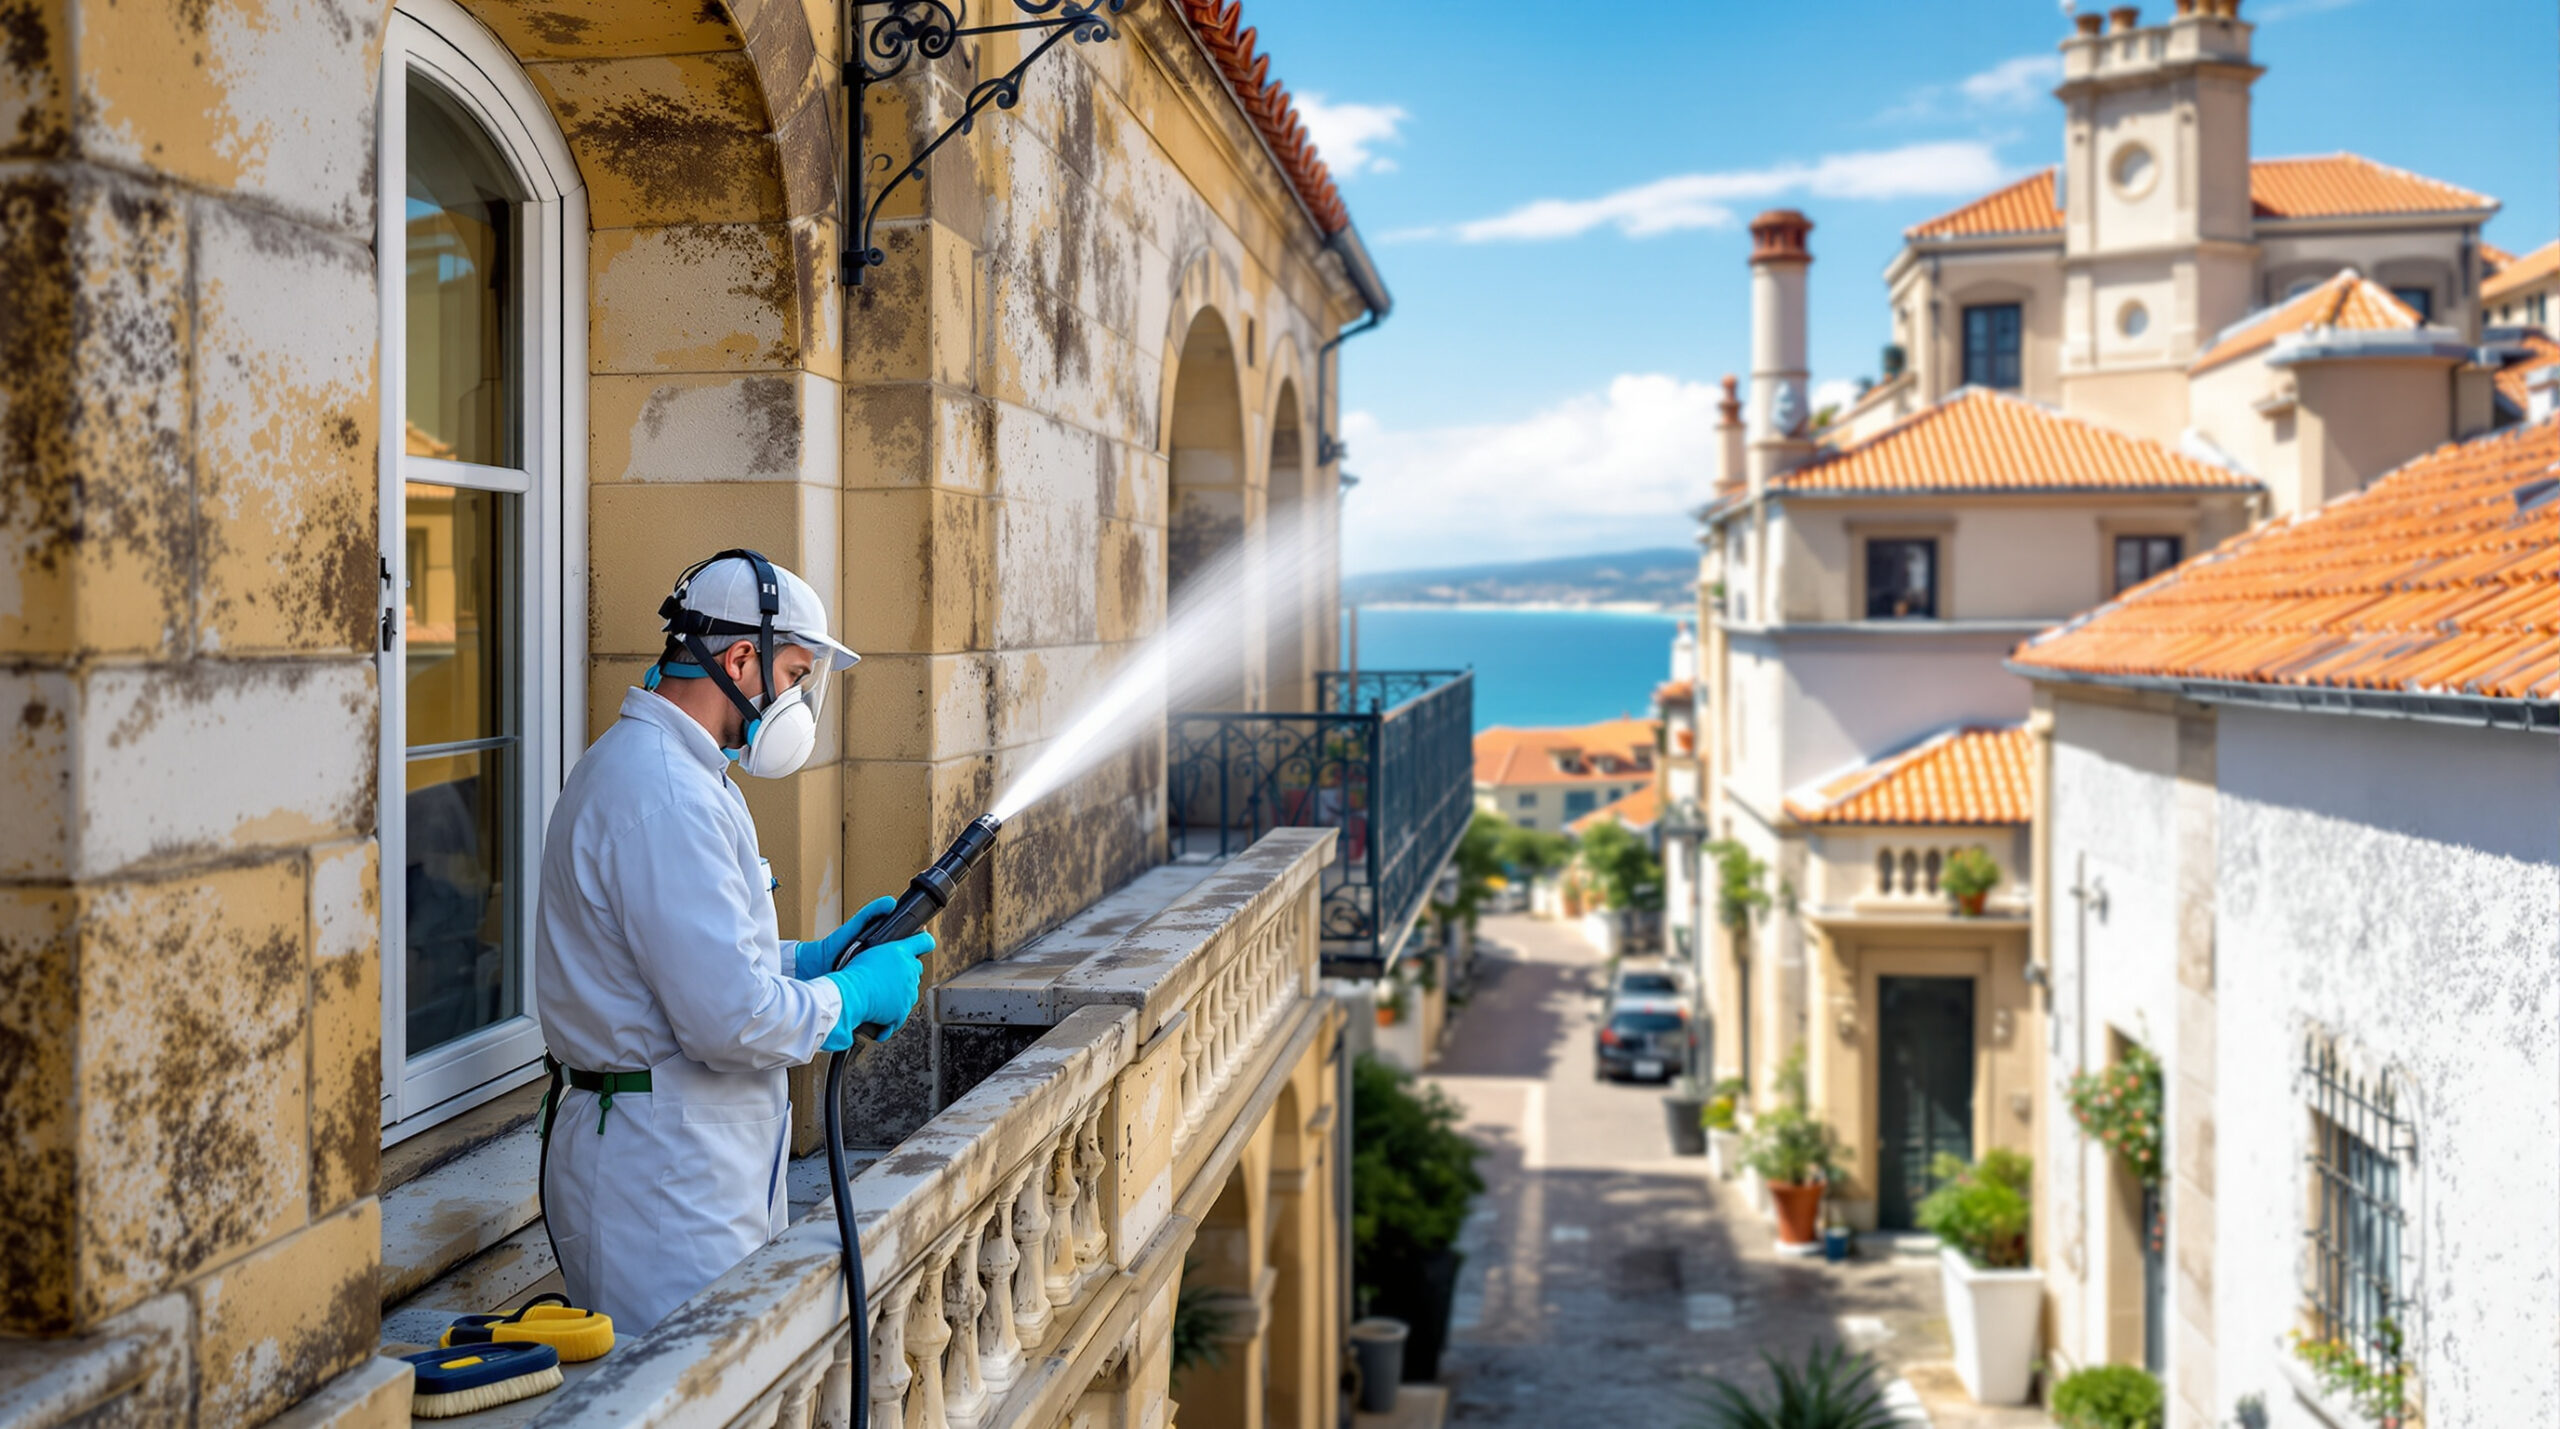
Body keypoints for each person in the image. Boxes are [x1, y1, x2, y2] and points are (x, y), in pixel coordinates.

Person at [533, 549, 931, 1334]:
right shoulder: (663, 793)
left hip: (680, 1163)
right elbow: (729, 1018)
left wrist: (808, 962)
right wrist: (846, 996)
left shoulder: (680, 774)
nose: (798, 702)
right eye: (794, 675)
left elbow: (685, 970)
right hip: (665, 1185)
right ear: (740, 657)